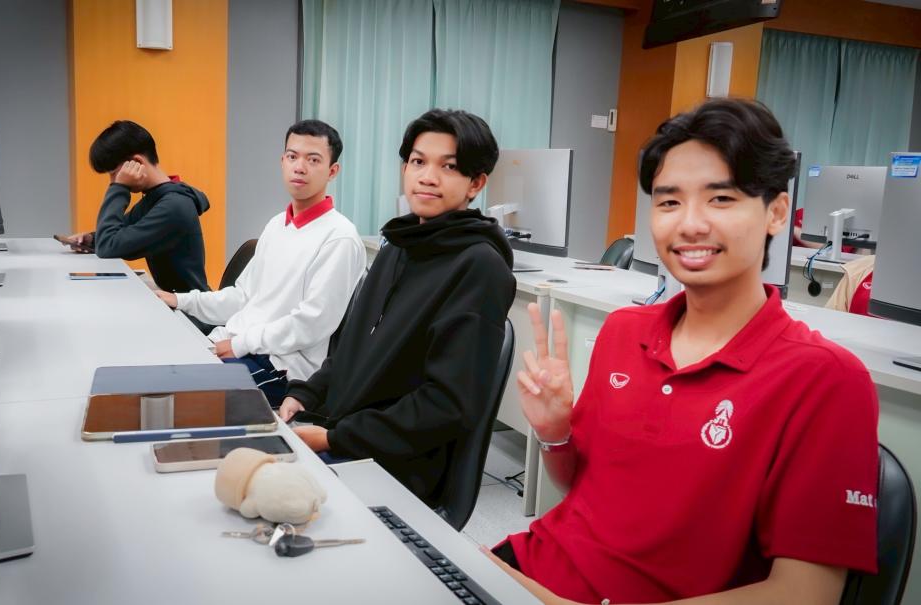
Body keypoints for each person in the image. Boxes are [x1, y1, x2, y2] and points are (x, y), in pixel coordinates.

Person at [486, 99, 878, 604]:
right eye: (669, 202)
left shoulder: (826, 379)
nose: (690, 224)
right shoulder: (624, 331)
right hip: (529, 568)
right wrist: (555, 432)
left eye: (721, 199)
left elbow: (806, 594)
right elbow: (582, 489)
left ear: (777, 212)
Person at [278, 109, 517, 507]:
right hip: (346, 434)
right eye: (418, 162)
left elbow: (446, 405)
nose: (427, 177)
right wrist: (306, 394)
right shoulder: (399, 246)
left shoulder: (479, 267)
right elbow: (351, 350)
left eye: (449, 166)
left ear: (476, 183)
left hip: (395, 465)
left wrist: (333, 438)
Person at [159, 120, 365, 405]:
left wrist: (239, 344)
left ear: (332, 171)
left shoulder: (340, 237)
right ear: (282, 161)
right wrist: (181, 300)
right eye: (292, 156)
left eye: (313, 160)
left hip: (281, 367)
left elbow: (311, 324)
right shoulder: (276, 225)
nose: (300, 167)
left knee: (182, 396)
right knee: (159, 369)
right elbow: (243, 297)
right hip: (240, 345)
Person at [60, 120, 211, 296]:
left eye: (114, 173)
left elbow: (108, 248)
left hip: (186, 308)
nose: (113, 181)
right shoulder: (156, 198)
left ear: (137, 162)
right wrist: (91, 239)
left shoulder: (174, 206)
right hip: (170, 298)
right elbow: (119, 233)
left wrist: (119, 188)